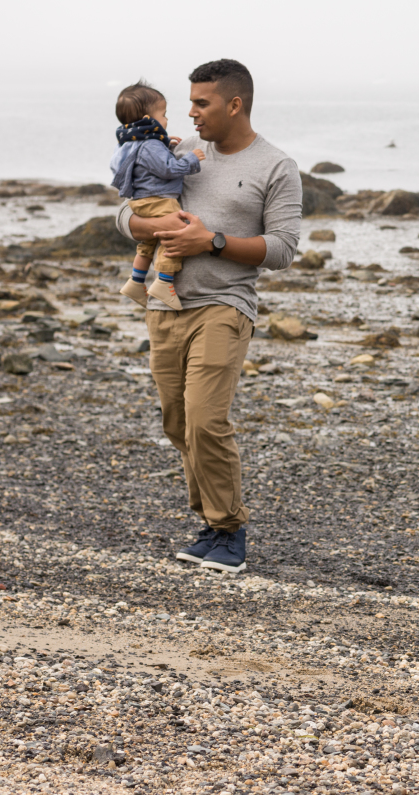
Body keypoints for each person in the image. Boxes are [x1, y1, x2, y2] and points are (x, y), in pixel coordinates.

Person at [115, 59, 302, 574]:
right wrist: (148, 227)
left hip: (225, 305)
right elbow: (126, 209)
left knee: (204, 418)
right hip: (164, 305)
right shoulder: (175, 154)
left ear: (234, 104)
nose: (192, 113)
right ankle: (211, 525)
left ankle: (228, 529)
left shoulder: (276, 166)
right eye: (190, 102)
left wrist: (211, 241)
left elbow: (283, 249)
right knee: (178, 423)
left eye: (202, 103)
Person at [109, 80, 207, 310]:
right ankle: (164, 283)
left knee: (149, 242)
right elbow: (168, 169)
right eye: (163, 115)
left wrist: (165, 144)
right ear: (148, 120)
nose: (166, 119)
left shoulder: (131, 141)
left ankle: (136, 281)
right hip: (159, 200)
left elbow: (148, 162)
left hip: (141, 201)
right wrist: (191, 159)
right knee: (176, 234)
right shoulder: (150, 144)